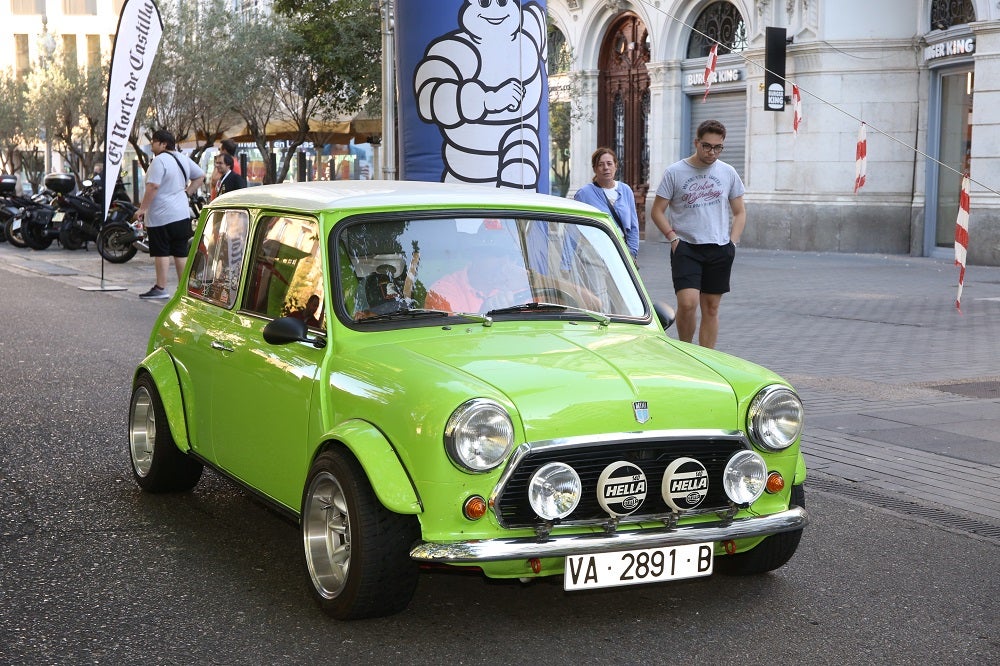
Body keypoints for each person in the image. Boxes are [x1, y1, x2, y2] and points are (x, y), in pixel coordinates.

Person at [650, 119, 746, 349]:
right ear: (696, 142)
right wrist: (673, 238)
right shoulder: (675, 172)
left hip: (719, 248)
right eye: (707, 146)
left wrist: (732, 243)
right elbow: (657, 211)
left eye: (717, 147)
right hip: (687, 247)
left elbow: (740, 212)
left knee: (711, 307)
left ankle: (706, 358)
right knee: (687, 303)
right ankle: (686, 352)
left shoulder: (728, 172)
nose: (712, 152)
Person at [133, 129, 206, 300]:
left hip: (161, 215)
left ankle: (161, 287)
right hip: (181, 213)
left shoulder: (159, 161)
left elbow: (153, 186)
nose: (152, 144)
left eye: (154, 141)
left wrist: (142, 209)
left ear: (163, 144)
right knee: (180, 251)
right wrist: (187, 193)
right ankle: (184, 290)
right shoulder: (183, 158)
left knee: (161, 251)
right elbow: (200, 176)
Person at [573, 148, 640, 260]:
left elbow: (633, 226)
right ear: (594, 168)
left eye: (609, 163)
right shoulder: (584, 194)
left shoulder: (625, 190)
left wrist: (632, 253)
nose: (606, 168)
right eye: (601, 164)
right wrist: (565, 263)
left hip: (620, 252)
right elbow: (574, 229)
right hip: (593, 254)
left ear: (616, 166)